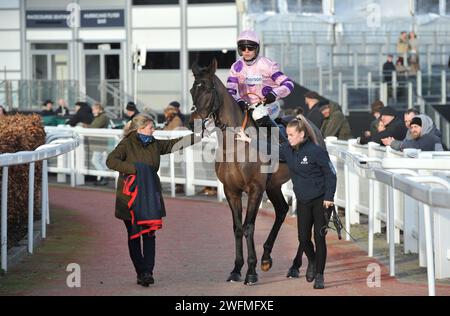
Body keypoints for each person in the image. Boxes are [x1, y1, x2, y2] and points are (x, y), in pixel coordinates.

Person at [236, 115, 337, 289]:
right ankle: (312, 261)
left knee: (319, 239)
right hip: (303, 201)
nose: (287, 138)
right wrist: (248, 139)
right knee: (303, 239)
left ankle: (320, 275)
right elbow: (269, 148)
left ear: (302, 134)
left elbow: (330, 174)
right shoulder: (288, 151)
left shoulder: (316, 151)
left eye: (290, 135)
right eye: (287, 135)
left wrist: (329, 197)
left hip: (320, 201)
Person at [106, 114, 199, 287]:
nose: (154, 129)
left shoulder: (155, 143)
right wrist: (136, 169)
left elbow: (173, 145)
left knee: (149, 234)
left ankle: (148, 272)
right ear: (140, 129)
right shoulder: (127, 144)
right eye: (151, 127)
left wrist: (198, 134)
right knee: (134, 236)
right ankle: (141, 271)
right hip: (130, 198)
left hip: (150, 195)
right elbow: (111, 161)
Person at [226, 30, 294, 130]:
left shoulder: (267, 65)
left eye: (250, 47)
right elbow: (230, 90)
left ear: (256, 49)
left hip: (269, 105)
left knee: (258, 114)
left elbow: (288, 84)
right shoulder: (235, 67)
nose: (246, 51)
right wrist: (238, 100)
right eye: (243, 48)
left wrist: (274, 94)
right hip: (246, 107)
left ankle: (281, 143)